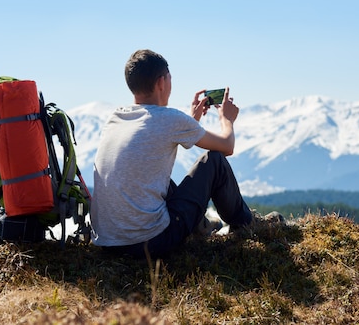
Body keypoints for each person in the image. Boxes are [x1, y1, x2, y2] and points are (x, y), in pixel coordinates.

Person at [90, 49, 253, 258]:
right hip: (150, 242)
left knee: (153, 175)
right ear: (161, 83)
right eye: (169, 78)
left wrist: (191, 121)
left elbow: (156, 137)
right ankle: (247, 224)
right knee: (213, 161)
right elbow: (226, 146)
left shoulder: (116, 118)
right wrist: (227, 119)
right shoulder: (169, 119)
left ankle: (201, 225)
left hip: (108, 243)